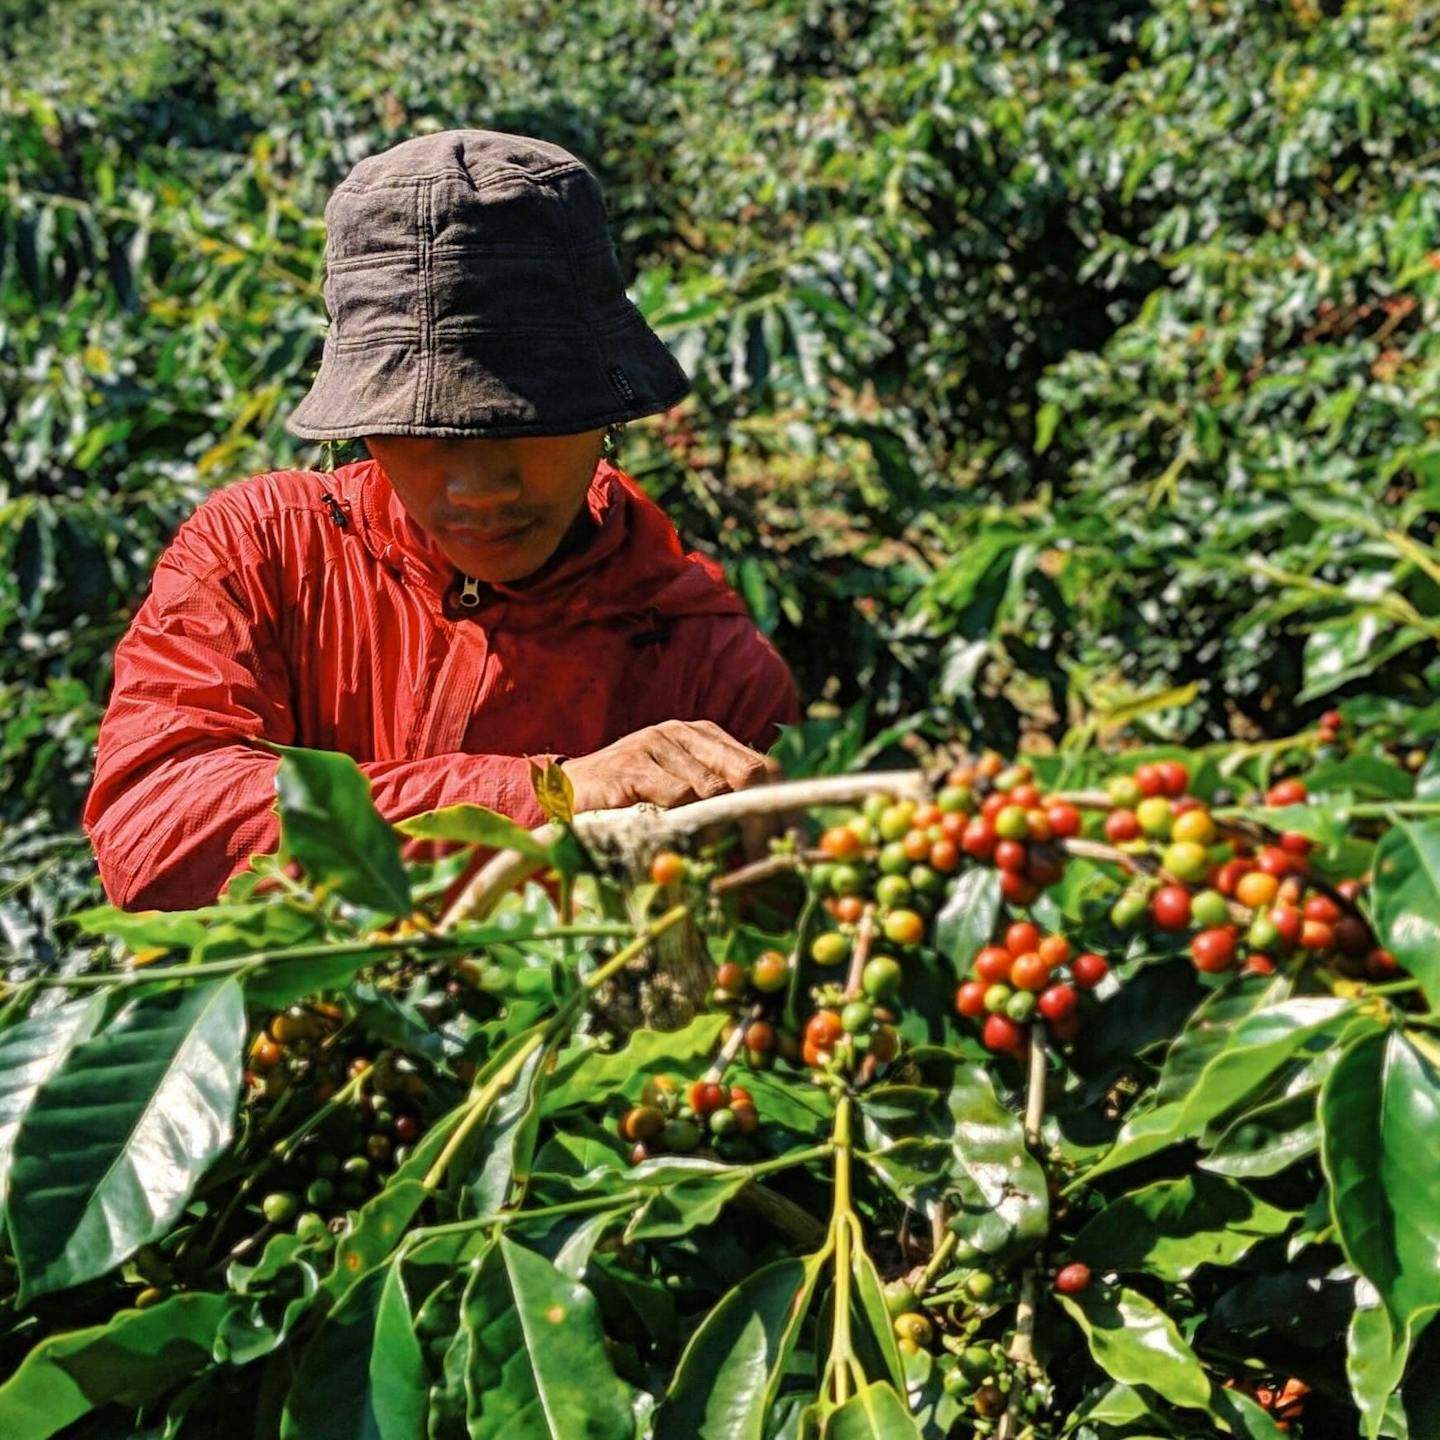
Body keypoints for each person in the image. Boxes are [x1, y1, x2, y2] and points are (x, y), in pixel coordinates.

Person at [84, 130, 800, 911]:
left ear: (606, 417)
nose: (479, 488)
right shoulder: (260, 552)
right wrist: (546, 796)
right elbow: (155, 836)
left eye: (528, 420)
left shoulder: (702, 661)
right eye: (423, 431)